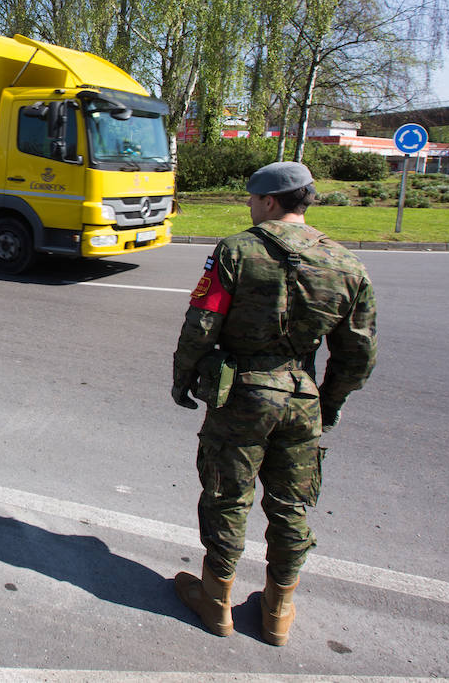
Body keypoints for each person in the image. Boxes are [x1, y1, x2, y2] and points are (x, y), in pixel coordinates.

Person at [170, 161, 376, 646]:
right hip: (302, 398)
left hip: (241, 394)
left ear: (269, 201)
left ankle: (215, 601)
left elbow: (202, 322)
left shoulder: (236, 251)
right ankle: (278, 612)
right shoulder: (347, 263)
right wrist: (329, 401)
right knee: (292, 505)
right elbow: (358, 353)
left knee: (227, 495)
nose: (248, 204)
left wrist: (182, 377)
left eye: (251, 197)